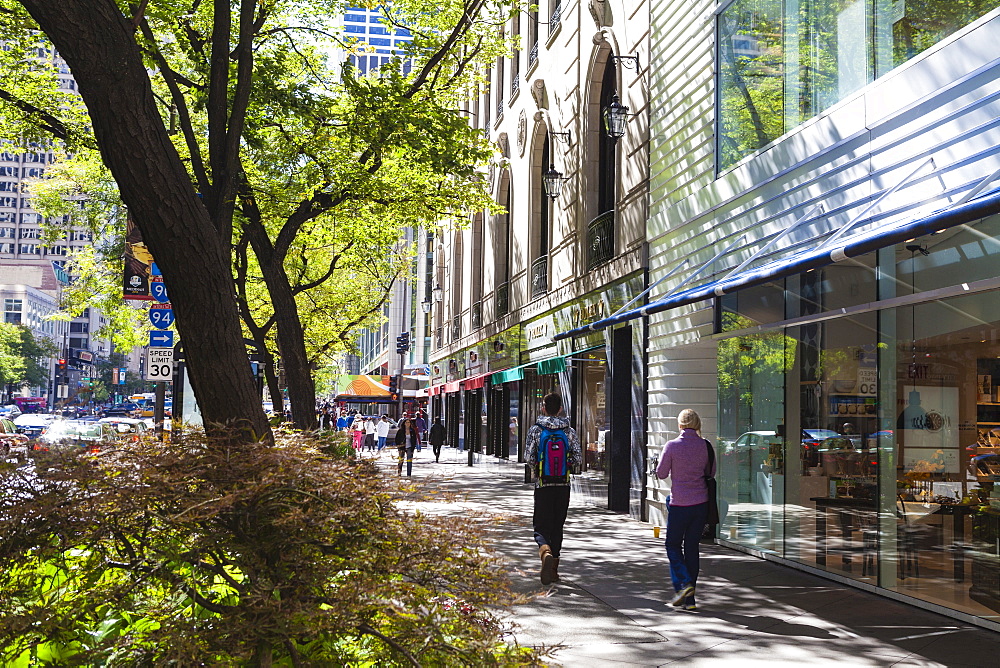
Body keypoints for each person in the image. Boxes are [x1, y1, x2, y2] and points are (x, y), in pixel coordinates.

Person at [655, 409, 715, 611]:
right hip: (701, 504)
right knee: (692, 548)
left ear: (679, 425)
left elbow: (662, 473)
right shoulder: (705, 446)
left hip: (680, 503)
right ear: (697, 425)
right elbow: (712, 472)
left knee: (672, 545)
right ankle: (690, 600)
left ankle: (683, 583)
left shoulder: (671, 446)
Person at [524, 392, 582, 586]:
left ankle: (545, 551)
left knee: (540, 526)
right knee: (558, 525)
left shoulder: (536, 430)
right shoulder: (569, 431)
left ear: (543, 407)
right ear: (560, 409)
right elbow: (578, 459)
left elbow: (529, 457)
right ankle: (554, 569)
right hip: (563, 484)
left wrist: (537, 471)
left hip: (543, 484)